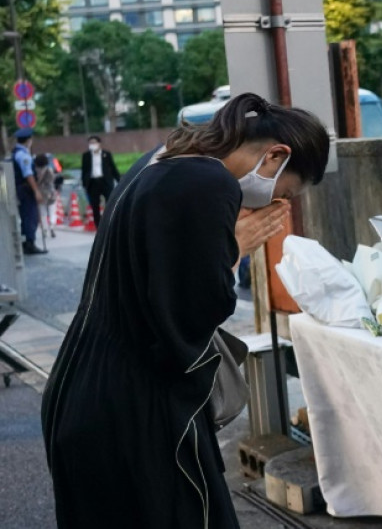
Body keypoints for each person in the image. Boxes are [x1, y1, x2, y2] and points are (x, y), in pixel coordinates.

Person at [41, 93, 330, 528]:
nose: (273, 204)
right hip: (134, 409)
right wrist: (234, 249)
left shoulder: (160, 161)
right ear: (274, 155)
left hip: (81, 388)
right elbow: (189, 320)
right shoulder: (206, 182)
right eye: (284, 191)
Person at [11, 128, 47, 255]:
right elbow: (28, 175)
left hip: (21, 188)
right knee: (30, 216)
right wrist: (36, 191)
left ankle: (26, 242)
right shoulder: (23, 155)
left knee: (27, 216)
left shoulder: (17, 152)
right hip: (26, 189)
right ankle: (29, 243)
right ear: (28, 140)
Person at [81, 135, 121, 227]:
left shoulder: (106, 154)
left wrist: (119, 180)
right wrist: (84, 184)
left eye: (94, 142)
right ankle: (98, 225)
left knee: (110, 202)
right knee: (95, 205)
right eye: (90, 143)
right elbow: (84, 170)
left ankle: (109, 223)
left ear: (99, 143)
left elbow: (113, 168)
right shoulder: (86, 156)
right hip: (93, 182)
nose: (92, 144)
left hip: (105, 181)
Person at [34, 154, 58, 239]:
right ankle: (52, 226)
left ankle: (44, 230)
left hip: (40, 193)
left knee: (42, 213)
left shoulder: (35, 171)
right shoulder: (49, 170)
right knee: (52, 211)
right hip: (50, 192)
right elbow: (52, 181)